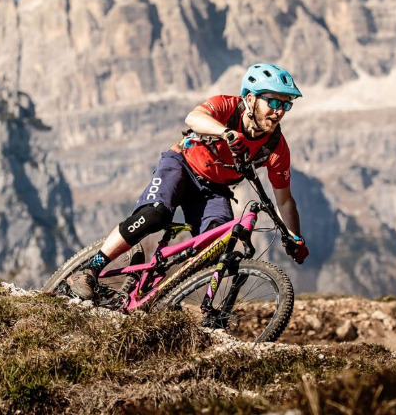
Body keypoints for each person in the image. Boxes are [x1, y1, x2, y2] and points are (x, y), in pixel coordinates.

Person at [67, 62, 310, 300]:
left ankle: (165, 292)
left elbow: (284, 200)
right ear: (250, 99)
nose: (279, 111)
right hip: (181, 164)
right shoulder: (227, 106)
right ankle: (90, 269)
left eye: (285, 105)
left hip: (214, 188)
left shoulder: (276, 147)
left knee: (217, 246)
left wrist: (294, 237)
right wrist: (224, 132)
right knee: (155, 215)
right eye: (274, 102)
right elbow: (193, 118)